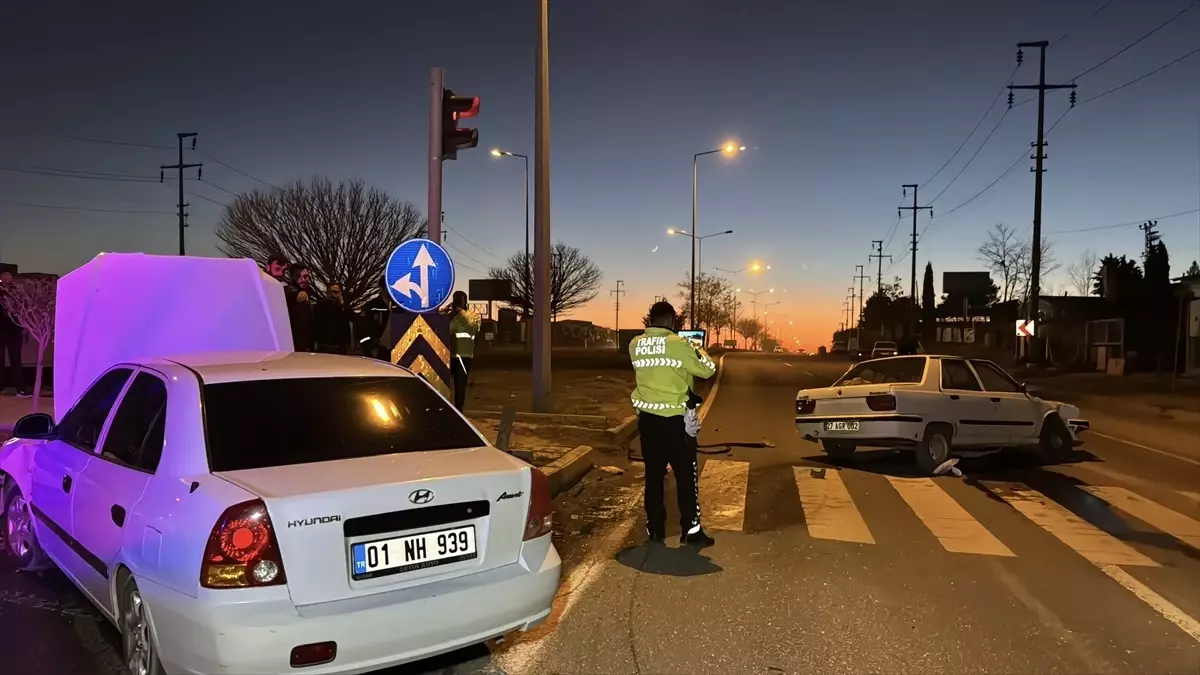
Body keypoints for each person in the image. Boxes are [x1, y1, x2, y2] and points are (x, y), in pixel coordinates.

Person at [630, 300, 717, 547]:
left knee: (653, 478)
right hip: (677, 425)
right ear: (671, 321)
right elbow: (708, 370)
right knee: (686, 479)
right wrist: (695, 347)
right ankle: (691, 531)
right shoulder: (681, 345)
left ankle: (655, 530)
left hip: (648, 422)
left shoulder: (635, 345)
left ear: (650, 320)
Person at [446, 290, 480, 411]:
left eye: (460, 300)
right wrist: (447, 313)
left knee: (460, 386)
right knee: (443, 384)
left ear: (465, 301)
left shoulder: (473, 316)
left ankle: (458, 411)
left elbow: (473, 328)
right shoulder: (449, 316)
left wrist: (461, 313)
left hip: (464, 356)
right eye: (456, 300)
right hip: (448, 355)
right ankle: (446, 409)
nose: (458, 303)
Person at [0, 270, 31, 398]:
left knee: (16, 360)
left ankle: (20, 389)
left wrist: (24, 326)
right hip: (1, 329)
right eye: (4, 275)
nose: (6, 277)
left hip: (15, 328)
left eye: (9, 275)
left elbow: (23, 307)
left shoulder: (16, 292)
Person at [285, 263, 316, 352]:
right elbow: (290, 293)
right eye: (298, 276)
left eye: (306, 276)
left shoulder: (309, 290)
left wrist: (307, 292)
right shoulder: (288, 290)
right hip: (294, 344)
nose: (303, 279)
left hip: (309, 343)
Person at [314, 283, 351, 354]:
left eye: (335, 292)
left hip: (340, 344)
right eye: (330, 292)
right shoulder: (320, 306)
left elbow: (352, 318)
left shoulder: (344, 307)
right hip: (325, 344)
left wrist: (342, 303)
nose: (333, 294)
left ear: (340, 293)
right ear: (327, 293)